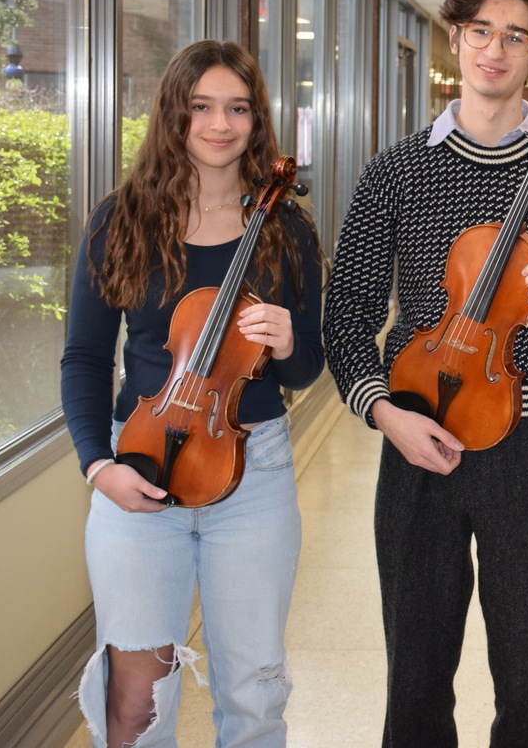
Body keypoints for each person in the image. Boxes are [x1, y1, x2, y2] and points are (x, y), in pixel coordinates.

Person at [321, 0, 528, 748]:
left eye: (516, 36)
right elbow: (349, 313)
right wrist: (383, 414)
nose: (496, 50)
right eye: (481, 32)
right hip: (417, 432)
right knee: (416, 667)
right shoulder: (396, 169)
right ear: (455, 38)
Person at [60, 40, 325, 748]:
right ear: (174, 115)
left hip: (254, 475)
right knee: (135, 702)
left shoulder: (286, 228)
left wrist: (290, 342)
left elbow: (304, 374)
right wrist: (98, 465)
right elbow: (84, 360)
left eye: (237, 109)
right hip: (138, 470)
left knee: (254, 691)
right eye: (201, 107)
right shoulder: (121, 218)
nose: (219, 125)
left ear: (255, 120)